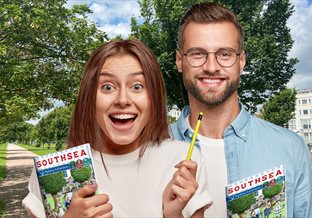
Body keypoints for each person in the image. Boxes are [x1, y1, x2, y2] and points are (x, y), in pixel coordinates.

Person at [170, 2, 312, 217]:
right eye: (197, 54)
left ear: (241, 61)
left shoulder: (291, 148)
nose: (211, 66)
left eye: (225, 54)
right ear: (180, 60)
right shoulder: (148, 148)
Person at [22, 39, 211, 217]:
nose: (122, 100)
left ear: (154, 97)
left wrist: (173, 215)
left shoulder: (186, 161)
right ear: (89, 98)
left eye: (137, 86)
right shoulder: (52, 171)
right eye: (107, 87)